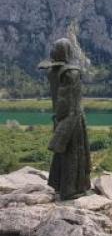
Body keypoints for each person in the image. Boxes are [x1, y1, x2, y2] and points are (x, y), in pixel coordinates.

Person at [37, 38, 91, 200]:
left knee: (65, 152)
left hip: (61, 117)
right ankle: (71, 189)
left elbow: (62, 100)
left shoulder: (55, 72)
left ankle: (61, 185)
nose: (52, 50)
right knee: (74, 152)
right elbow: (71, 103)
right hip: (72, 117)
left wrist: (60, 121)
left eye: (55, 47)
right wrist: (68, 123)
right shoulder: (71, 74)